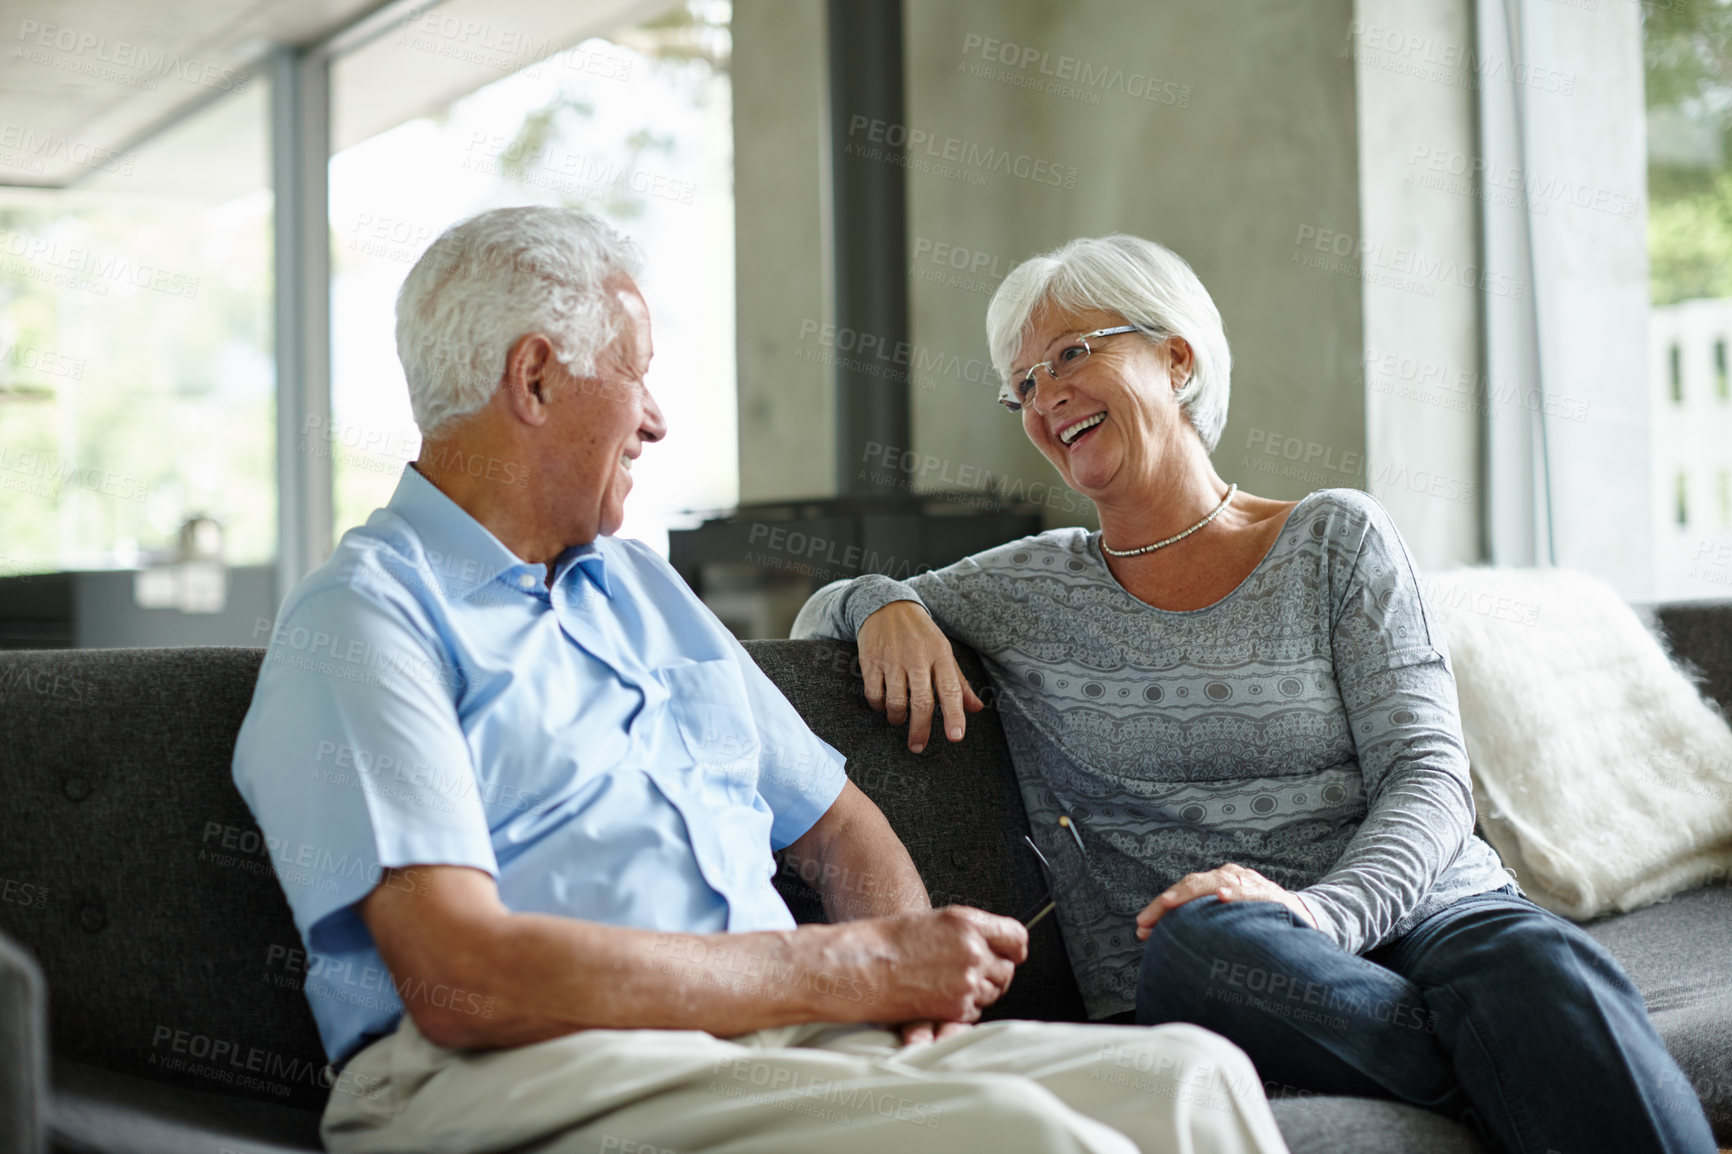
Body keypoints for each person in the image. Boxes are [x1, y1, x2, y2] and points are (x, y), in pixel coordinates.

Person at [231, 207, 1290, 1154]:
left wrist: (905, 1007)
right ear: (538, 377)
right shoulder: (368, 617)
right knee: (1020, 1137)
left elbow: (840, 829)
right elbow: (462, 976)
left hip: (766, 1041)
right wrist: (853, 970)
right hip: (527, 1068)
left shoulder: (639, 590)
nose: (655, 419)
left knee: (1190, 1076)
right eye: (636, 375)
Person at [793, 233, 1717, 1154]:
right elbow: (808, 632)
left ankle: (1510, 1058)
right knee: (1200, 943)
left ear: (1177, 358)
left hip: (1431, 916)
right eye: (1024, 383)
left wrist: (1322, 908)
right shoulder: (1029, 589)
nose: (1046, 396)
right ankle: (1529, 1069)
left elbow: (1431, 778)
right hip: (1233, 963)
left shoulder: (1335, 541)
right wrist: (882, 604)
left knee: (1541, 961)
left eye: (1072, 352)